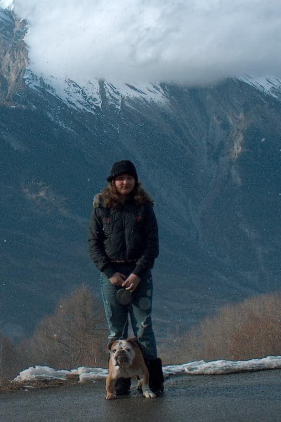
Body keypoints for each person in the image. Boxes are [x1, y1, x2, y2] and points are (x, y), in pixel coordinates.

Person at [88, 160, 164, 395]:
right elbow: (93, 244)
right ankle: (120, 382)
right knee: (116, 331)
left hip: (139, 275)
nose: (125, 182)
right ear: (112, 182)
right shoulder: (101, 207)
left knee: (144, 329)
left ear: (135, 180)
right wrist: (110, 273)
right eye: (120, 178)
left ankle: (152, 382)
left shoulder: (144, 207)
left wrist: (138, 273)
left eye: (129, 178)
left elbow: (152, 245)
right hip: (111, 276)